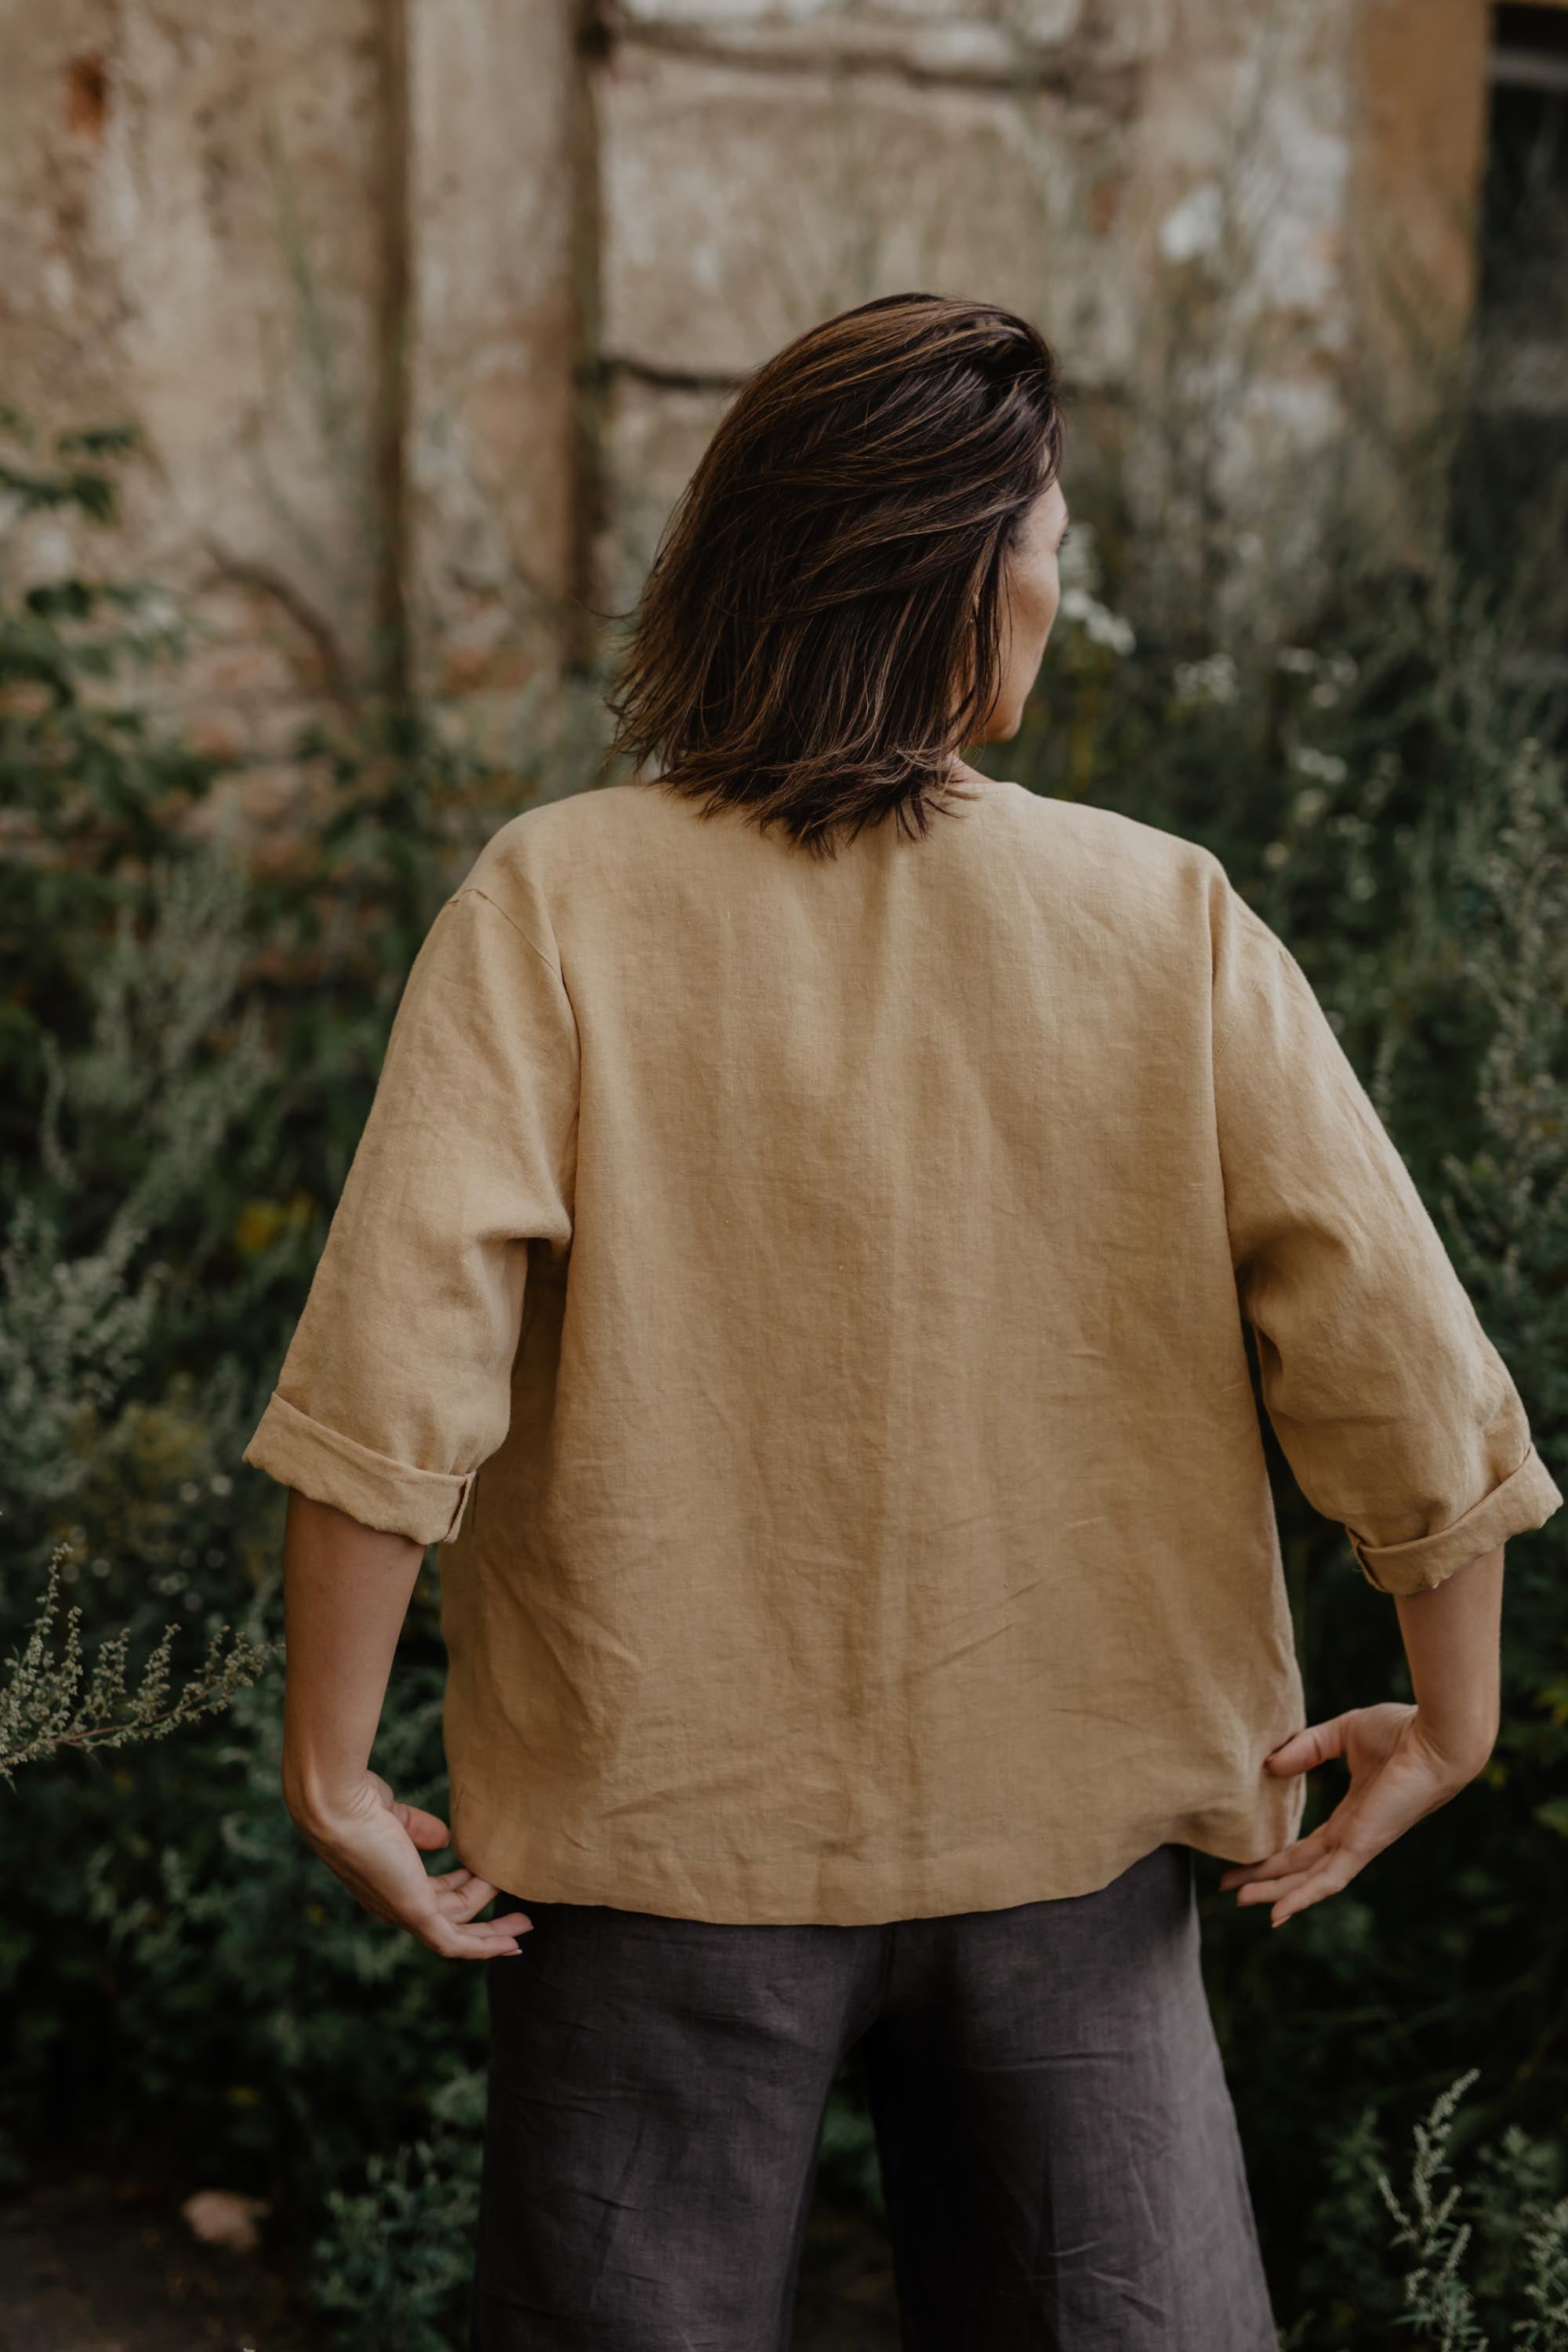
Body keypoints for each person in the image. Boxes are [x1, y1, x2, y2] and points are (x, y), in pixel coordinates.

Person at [242, 292, 1563, 2351]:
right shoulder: (1165, 920)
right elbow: (1394, 1355)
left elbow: (396, 1369)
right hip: (1080, 1870)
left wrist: (333, 1766)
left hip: (656, 1856)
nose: (1062, 577)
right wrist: (1457, 1712)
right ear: (957, 572)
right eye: (1050, 533)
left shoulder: (555, 900)